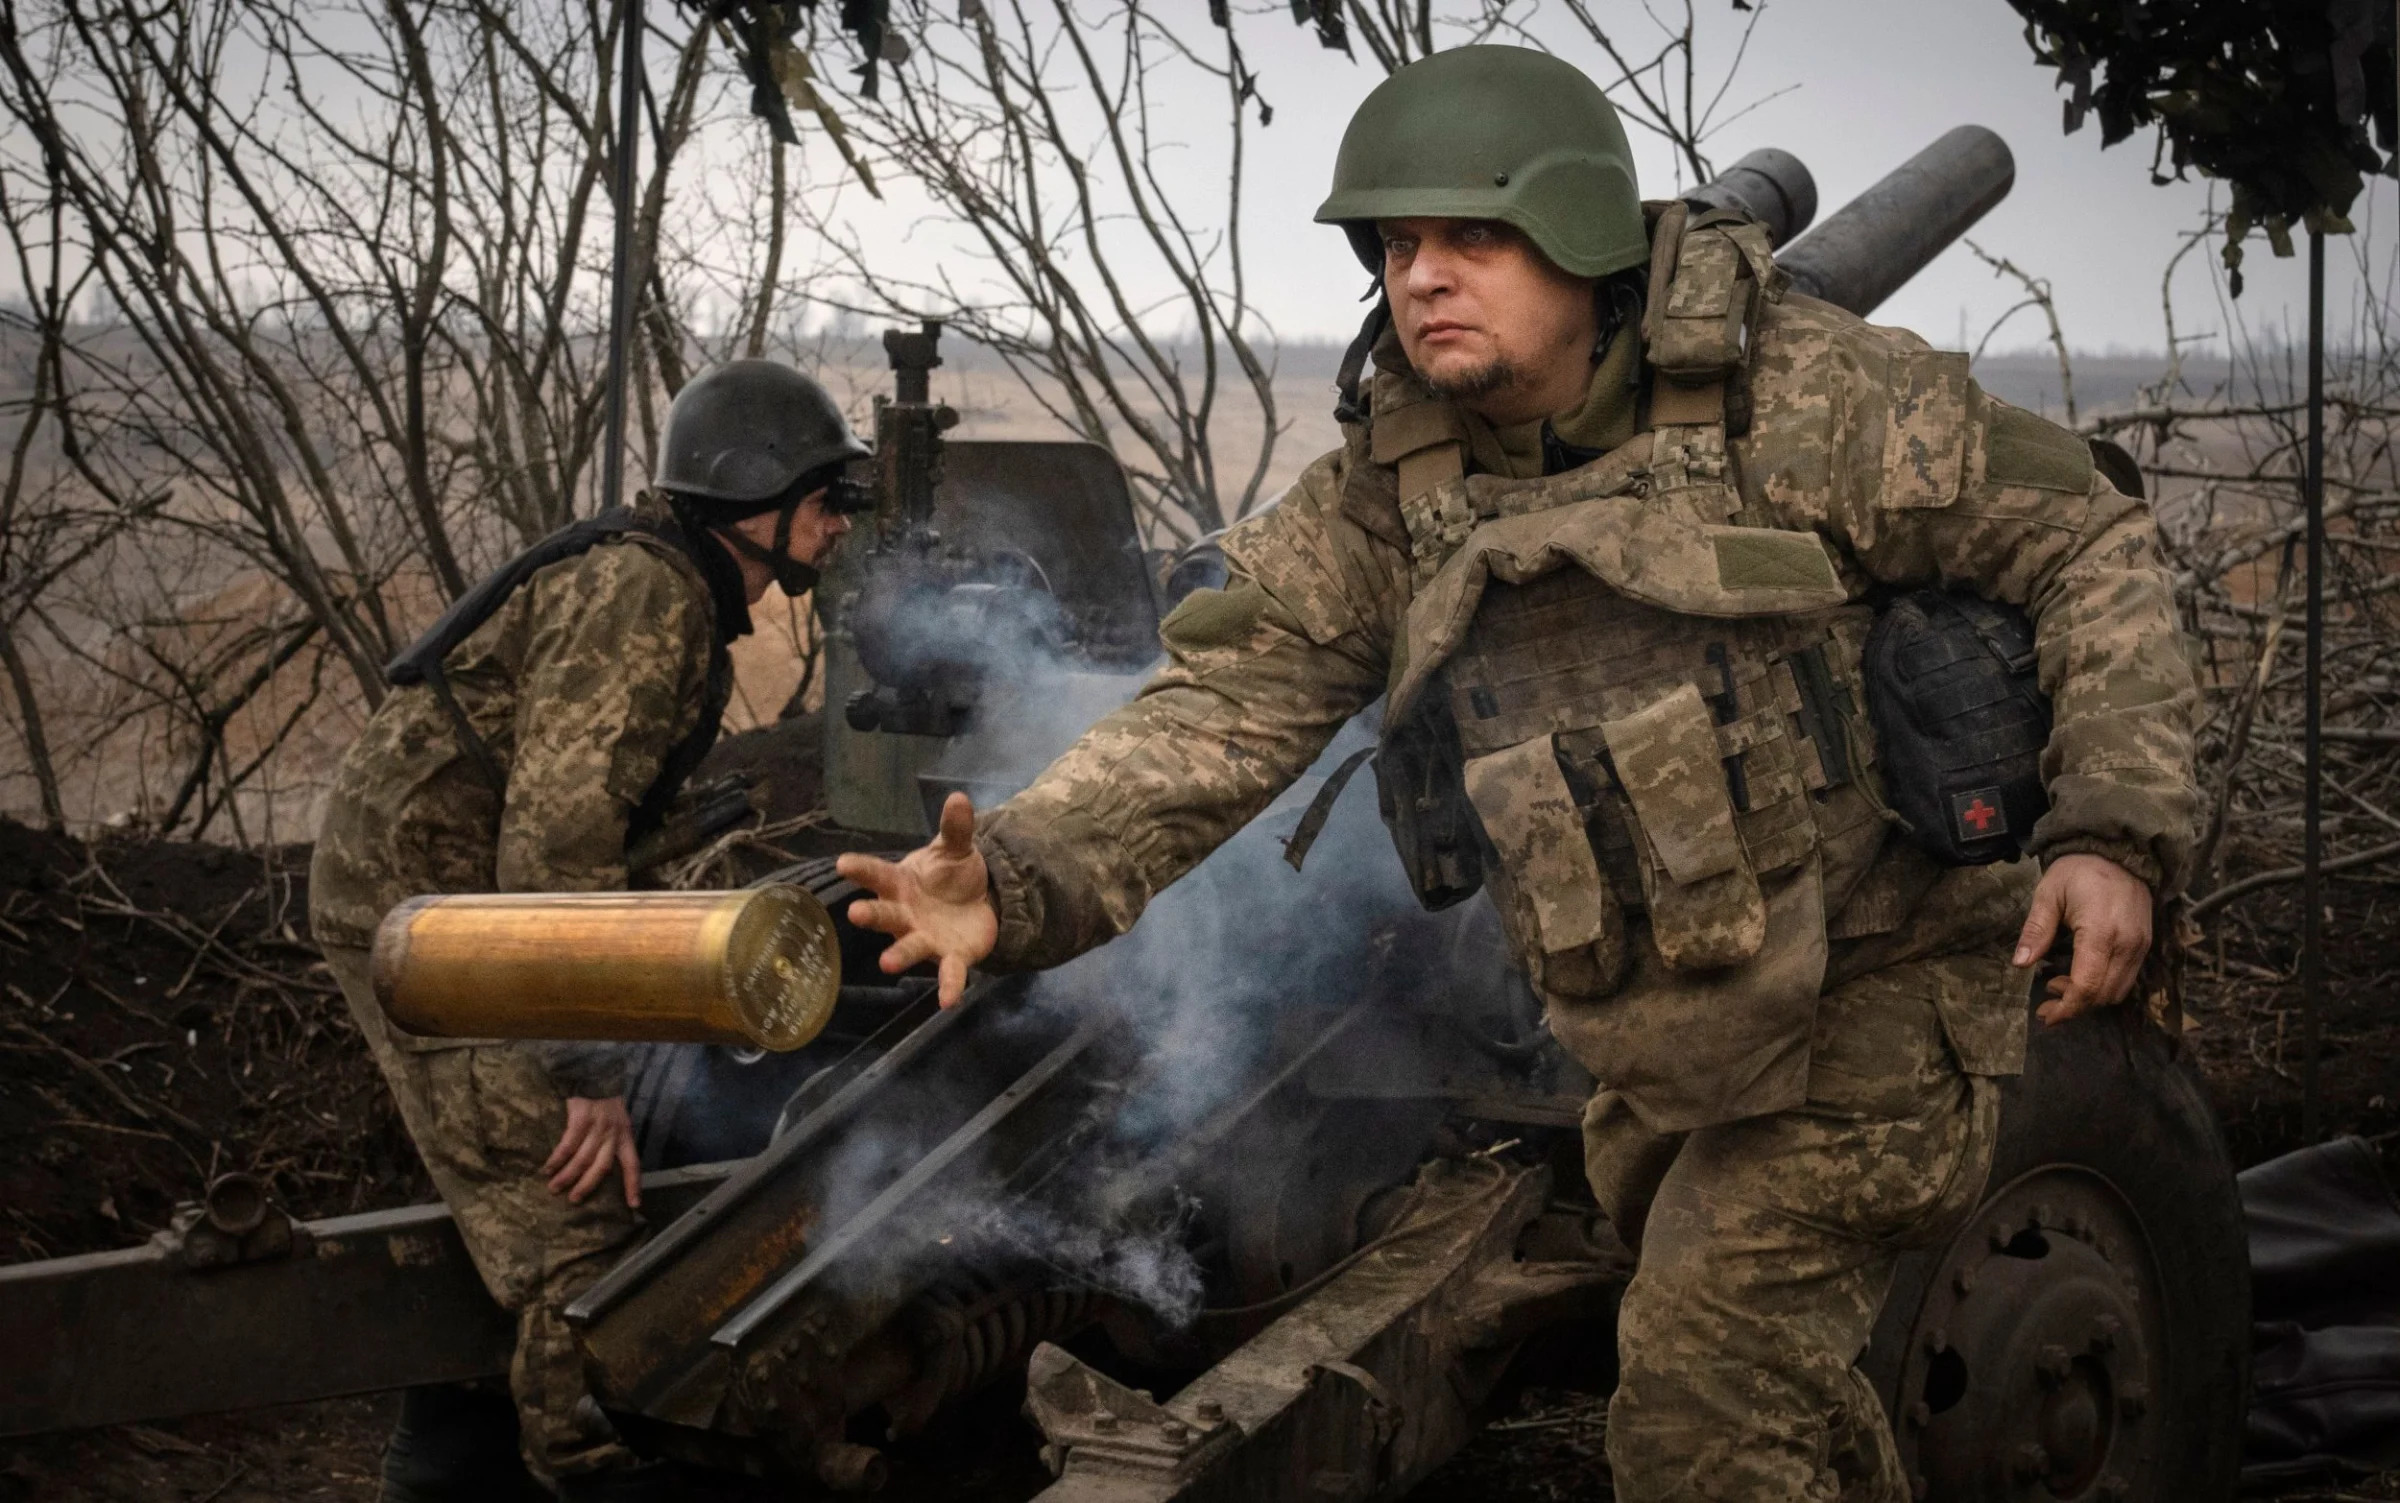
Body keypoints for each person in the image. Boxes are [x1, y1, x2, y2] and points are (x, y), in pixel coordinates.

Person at [836, 46, 2197, 1503]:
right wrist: (1022, 875)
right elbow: (1220, 705)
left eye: (1472, 237)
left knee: (1699, 1398)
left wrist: (2112, 826)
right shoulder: (1392, 489)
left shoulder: (1804, 399)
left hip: (1879, 995)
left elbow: (2084, 542)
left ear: (1583, 241)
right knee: (1774, 1404)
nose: (1423, 276)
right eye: (1398, 244)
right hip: (1666, 1030)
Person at [310, 360, 867, 1502]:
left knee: (523, 1201)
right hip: (435, 925)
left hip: (465, 909)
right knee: (569, 1226)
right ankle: (587, 1466)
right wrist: (588, 1072)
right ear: (749, 498)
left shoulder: (664, 585)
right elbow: (552, 855)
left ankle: (446, 1471)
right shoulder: (646, 595)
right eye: (823, 495)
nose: (838, 521)